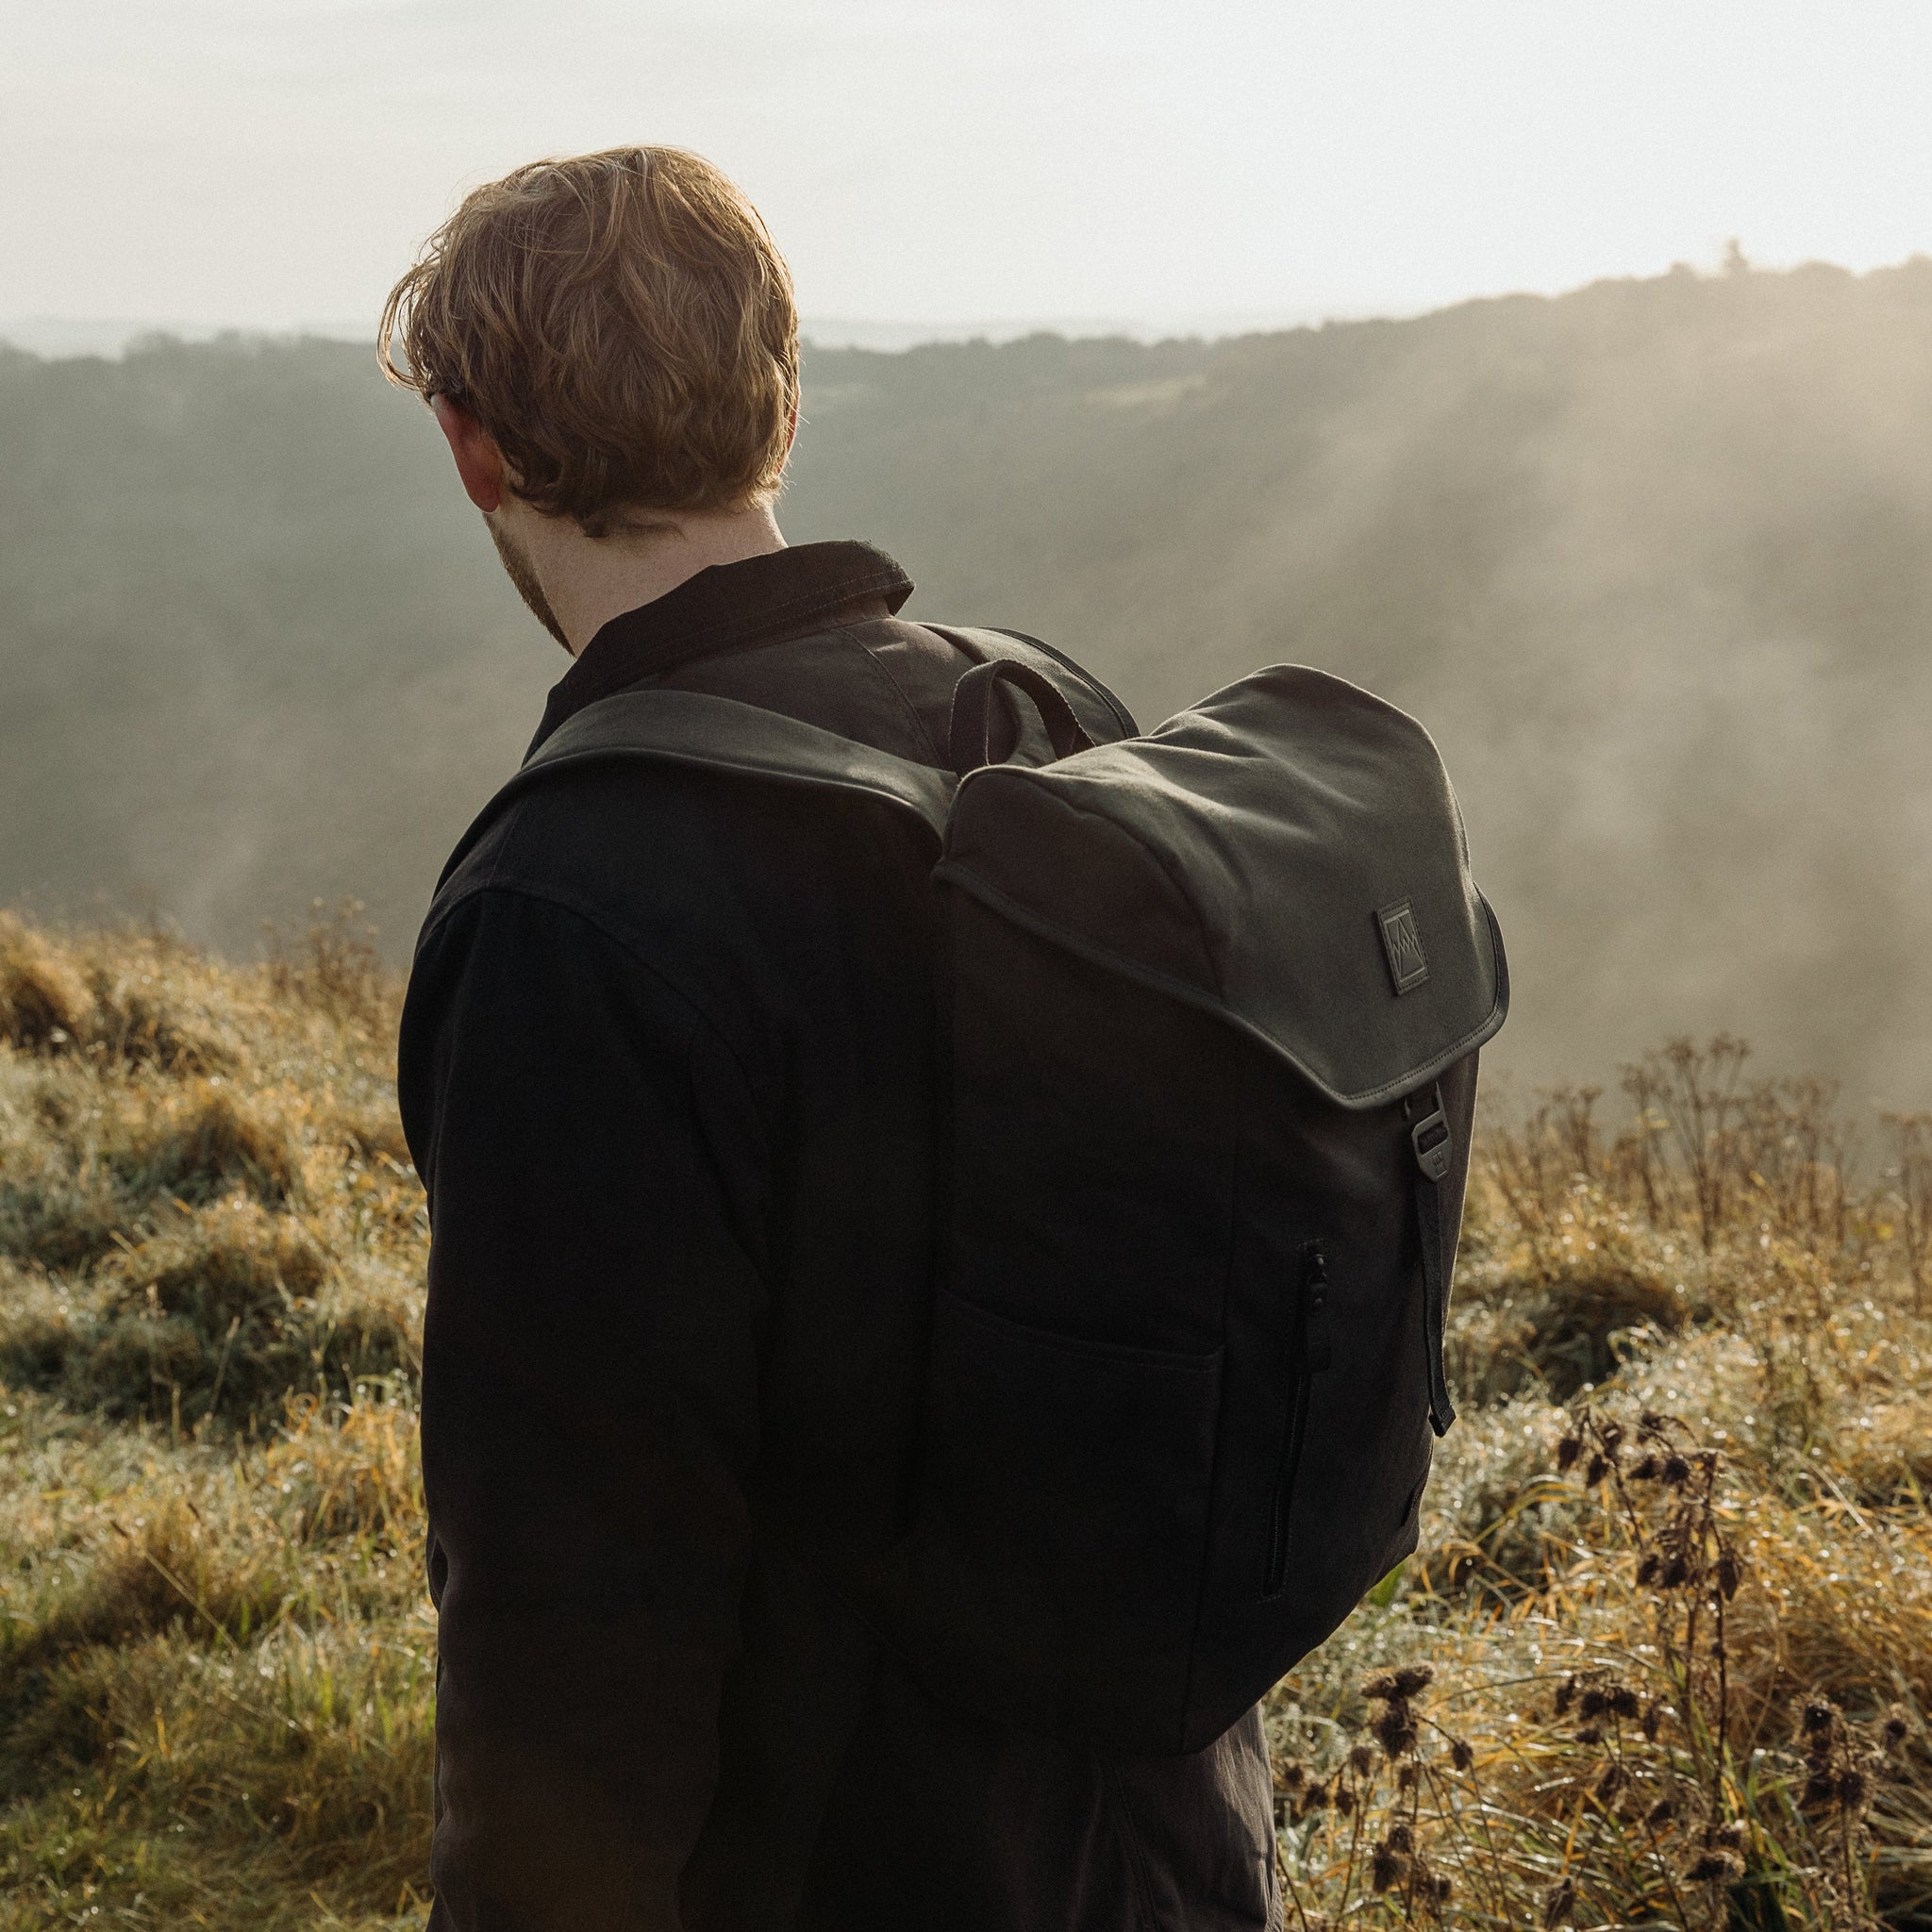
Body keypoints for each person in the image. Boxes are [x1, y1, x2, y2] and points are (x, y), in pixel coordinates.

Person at [385, 145, 1278, 1932]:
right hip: (1167, 1844)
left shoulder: (572, 898)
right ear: (775, 400)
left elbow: (576, 1604)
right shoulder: (1045, 712)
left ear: (475, 444)